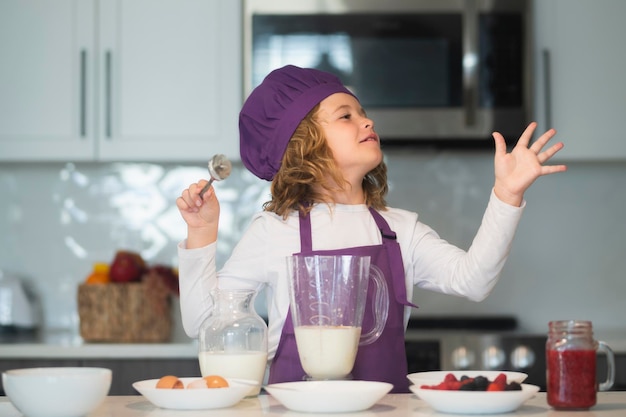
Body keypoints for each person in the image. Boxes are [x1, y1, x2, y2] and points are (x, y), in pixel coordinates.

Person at [175, 65, 567, 393]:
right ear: (304, 144)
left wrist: (506, 195)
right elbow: (202, 322)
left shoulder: (399, 230)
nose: (367, 120)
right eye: (346, 115)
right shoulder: (275, 230)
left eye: (362, 112)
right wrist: (201, 232)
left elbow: (474, 281)